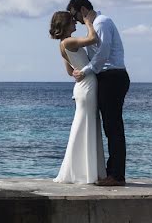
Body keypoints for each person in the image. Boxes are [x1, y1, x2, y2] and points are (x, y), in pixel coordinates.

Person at [67, 0, 130, 187]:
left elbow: (103, 54)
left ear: (83, 10)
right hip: (107, 77)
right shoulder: (94, 25)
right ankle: (112, 172)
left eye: (75, 14)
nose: (75, 20)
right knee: (110, 127)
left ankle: (117, 175)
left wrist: (84, 72)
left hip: (112, 77)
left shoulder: (101, 23)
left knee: (113, 127)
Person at [50, 10, 105, 184]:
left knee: (83, 125)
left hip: (81, 86)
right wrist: (89, 22)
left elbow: (69, 71)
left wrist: (77, 70)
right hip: (87, 86)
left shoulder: (62, 45)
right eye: (72, 21)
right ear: (66, 25)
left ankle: (82, 171)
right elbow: (93, 39)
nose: (76, 23)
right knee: (86, 126)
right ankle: (85, 172)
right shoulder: (69, 41)